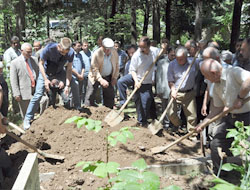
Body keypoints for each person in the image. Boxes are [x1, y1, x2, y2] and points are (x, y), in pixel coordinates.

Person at [196, 58, 250, 176]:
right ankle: (220, 174)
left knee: (247, 149)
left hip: (248, 117)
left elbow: (249, 80)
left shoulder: (234, 72)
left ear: (214, 73)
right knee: (216, 144)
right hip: (231, 119)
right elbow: (217, 109)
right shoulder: (215, 86)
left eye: (206, 75)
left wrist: (240, 98)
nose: (205, 79)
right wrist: (203, 123)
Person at [23, 37, 74, 130]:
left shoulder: (71, 53)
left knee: (69, 92)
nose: (64, 54)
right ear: (59, 46)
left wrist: (67, 85)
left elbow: (69, 69)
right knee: (38, 94)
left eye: (65, 52)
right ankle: (27, 118)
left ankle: (70, 115)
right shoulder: (48, 48)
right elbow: (41, 64)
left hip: (59, 72)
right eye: (62, 52)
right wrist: (46, 79)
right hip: (46, 72)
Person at [166, 47, 198, 134]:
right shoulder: (172, 64)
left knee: (192, 116)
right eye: (177, 59)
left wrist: (200, 48)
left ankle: (192, 135)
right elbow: (170, 80)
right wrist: (173, 89)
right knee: (171, 113)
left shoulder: (193, 62)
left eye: (181, 59)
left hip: (189, 93)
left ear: (186, 57)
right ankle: (179, 124)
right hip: (176, 92)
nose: (179, 61)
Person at [129, 36, 160, 126]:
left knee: (147, 101)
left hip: (148, 83)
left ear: (149, 46)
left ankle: (147, 120)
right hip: (139, 82)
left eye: (144, 47)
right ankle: (141, 122)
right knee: (139, 103)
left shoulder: (154, 51)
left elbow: (163, 51)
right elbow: (132, 70)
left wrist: (164, 48)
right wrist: (136, 81)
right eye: (140, 47)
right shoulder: (136, 55)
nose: (141, 49)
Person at [84, 38, 119, 109]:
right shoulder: (96, 53)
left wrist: (115, 77)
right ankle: (87, 111)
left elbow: (117, 66)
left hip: (108, 76)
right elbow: (94, 69)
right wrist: (100, 80)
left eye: (109, 49)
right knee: (90, 94)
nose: (107, 50)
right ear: (102, 46)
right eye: (105, 48)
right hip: (95, 76)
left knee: (109, 96)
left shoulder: (114, 53)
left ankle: (108, 111)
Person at [10, 43, 39, 119]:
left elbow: (38, 74)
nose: (30, 54)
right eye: (28, 52)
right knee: (26, 114)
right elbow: (13, 80)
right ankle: (27, 127)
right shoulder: (15, 63)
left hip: (35, 89)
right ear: (22, 51)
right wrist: (16, 93)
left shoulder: (34, 60)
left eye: (31, 52)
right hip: (23, 92)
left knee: (44, 101)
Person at [156, 46, 175, 130]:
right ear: (168, 53)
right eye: (172, 55)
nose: (173, 57)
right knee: (165, 107)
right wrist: (159, 89)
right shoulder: (161, 63)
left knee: (175, 108)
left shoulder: (178, 62)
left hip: (175, 89)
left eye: (175, 55)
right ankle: (166, 125)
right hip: (165, 88)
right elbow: (159, 77)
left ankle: (174, 125)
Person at [70, 41, 85, 109]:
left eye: (80, 46)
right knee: (71, 94)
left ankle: (78, 106)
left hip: (80, 77)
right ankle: (70, 107)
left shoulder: (80, 55)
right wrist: (77, 75)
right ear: (74, 46)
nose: (80, 47)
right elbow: (70, 67)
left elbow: (83, 66)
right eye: (78, 46)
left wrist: (81, 74)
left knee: (79, 92)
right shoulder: (70, 55)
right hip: (72, 77)